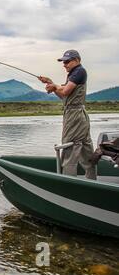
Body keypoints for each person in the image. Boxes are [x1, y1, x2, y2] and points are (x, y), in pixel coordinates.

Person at [39, 49, 96, 179]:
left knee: (70, 148)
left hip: (74, 115)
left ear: (77, 60)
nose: (64, 64)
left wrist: (54, 86)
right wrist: (50, 83)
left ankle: (68, 185)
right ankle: (92, 181)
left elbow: (65, 91)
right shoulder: (73, 74)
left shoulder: (79, 71)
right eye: (63, 62)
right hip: (78, 115)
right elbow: (63, 96)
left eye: (67, 61)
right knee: (86, 148)